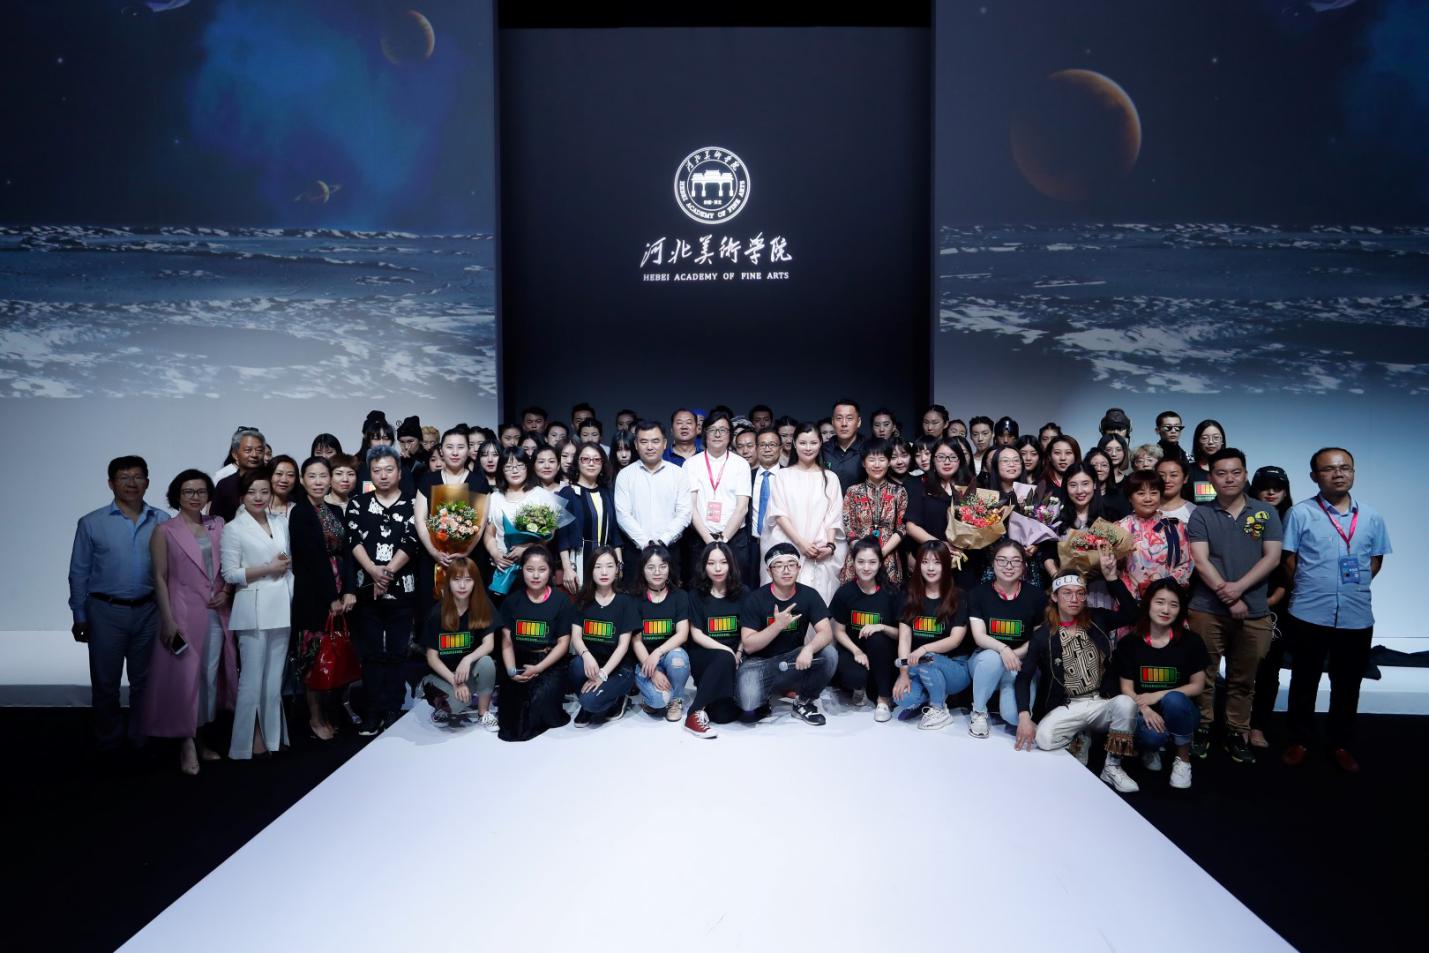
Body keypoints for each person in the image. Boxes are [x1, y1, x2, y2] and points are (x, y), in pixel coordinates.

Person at [1281, 448, 1391, 773]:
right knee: (1304, 681)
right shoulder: (1300, 513)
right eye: (1329, 469)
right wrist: (1312, 586)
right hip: (1309, 612)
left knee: (1347, 685)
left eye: (1345, 468)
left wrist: (1349, 587)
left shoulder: (1371, 517)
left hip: (1356, 616)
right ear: (1315, 476)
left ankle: (1339, 743)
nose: (1338, 474)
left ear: (1353, 472)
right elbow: (1289, 559)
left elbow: (1376, 560)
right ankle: (1300, 740)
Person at [1186, 448, 1284, 764]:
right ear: (1211, 478)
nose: (1229, 478)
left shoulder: (1265, 513)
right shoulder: (1201, 514)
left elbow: (1272, 557)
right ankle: (1201, 727)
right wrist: (1228, 595)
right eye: (1221, 473)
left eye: (1235, 472)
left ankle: (1235, 731)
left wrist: (1238, 590)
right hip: (1207, 609)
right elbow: (1201, 560)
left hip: (1253, 610)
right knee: (1204, 674)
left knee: (1244, 678)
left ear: (1245, 474)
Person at [1013, 554, 1141, 793]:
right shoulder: (1043, 636)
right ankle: (1080, 734)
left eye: (1080, 593)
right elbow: (1023, 677)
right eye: (1067, 593)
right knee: (1044, 739)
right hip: (1068, 704)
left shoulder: (1097, 618)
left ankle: (1112, 766)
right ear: (1054, 597)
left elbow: (1133, 614)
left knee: (1126, 704)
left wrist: (1112, 578)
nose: (1074, 599)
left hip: (1100, 701)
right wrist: (1024, 717)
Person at [69, 455, 171, 753]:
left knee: (145, 682)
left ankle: (141, 737)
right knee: (105, 682)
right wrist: (79, 614)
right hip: (105, 612)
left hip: (149, 611)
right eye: (124, 477)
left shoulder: (163, 521)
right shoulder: (91, 523)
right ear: (110, 483)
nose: (131, 483)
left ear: (147, 482)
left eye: (137, 476)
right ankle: (108, 741)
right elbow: (79, 572)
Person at [139, 469, 236, 774]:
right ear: (177, 496)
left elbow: (231, 563)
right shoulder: (165, 530)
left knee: (208, 678)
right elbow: (159, 578)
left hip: (215, 611)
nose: (195, 497)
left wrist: (227, 590)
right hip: (182, 613)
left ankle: (201, 735)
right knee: (185, 679)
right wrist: (167, 620)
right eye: (188, 492)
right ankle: (186, 742)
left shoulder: (218, 524)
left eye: (201, 491)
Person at [345, 446, 419, 736]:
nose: (383, 475)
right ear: (370, 474)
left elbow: (412, 541)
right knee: (371, 653)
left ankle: (393, 709)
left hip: (402, 589)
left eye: (389, 469)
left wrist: (386, 572)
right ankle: (373, 711)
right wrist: (373, 571)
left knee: (399, 652)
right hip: (367, 590)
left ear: (399, 472)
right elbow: (353, 540)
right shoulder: (358, 503)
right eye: (377, 470)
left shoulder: (414, 503)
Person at [221, 468, 293, 760]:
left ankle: (272, 737)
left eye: (264, 491)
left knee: (274, 680)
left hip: (282, 604)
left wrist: (283, 572)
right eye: (252, 492)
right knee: (251, 679)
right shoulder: (233, 528)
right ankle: (246, 741)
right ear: (242, 496)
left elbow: (287, 560)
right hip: (253, 608)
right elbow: (230, 573)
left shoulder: (280, 521)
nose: (259, 497)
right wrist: (268, 568)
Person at [1115, 579, 1208, 790]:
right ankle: (1152, 749)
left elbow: (1197, 685)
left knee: (1174, 699)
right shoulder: (1130, 643)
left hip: (1180, 711)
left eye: (1173, 605)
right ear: (1148, 604)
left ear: (1180, 609)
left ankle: (1183, 759)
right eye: (1160, 602)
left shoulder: (1191, 641)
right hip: (1144, 712)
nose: (1166, 610)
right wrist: (1144, 708)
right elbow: (1126, 688)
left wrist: (1158, 695)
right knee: (1151, 737)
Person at [288, 457, 356, 742]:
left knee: (337, 651)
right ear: (303, 480)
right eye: (312, 476)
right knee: (313, 656)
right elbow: (312, 560)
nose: (318, 482)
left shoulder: (335, 511)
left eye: (323, 476)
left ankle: (333, 712)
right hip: (314, 593)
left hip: (340, 587)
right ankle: (315, 718)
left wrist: (348, 589)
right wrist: (331, 597)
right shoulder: (300, 513)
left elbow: (348, 552)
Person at [737, 543, 837, 725]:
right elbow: (749, 645)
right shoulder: (755, 598)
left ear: (799, 568)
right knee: (749, 703)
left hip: (792, 662)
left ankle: (803, 702)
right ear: (769, 571)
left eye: (791, 564)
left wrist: (808, 649)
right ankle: (765, 697)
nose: (786, 570)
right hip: (759, 664)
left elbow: (826, 632)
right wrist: (777, 625)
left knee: (829, 654)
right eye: (779, 565)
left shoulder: (809, 595)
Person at [966, 539, 1047, 739]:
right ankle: (979, 711)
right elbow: (979, 636)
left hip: (1019, 665)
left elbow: (1038, 638)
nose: (1008, 566)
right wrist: (1004, 650)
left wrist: (1015, 655)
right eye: (1002, 560)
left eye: (1015, 561)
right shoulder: (978, 594)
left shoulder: (1036, 596)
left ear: (1024, 565)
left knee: (1013, 717)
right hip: (986, 661)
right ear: (993, 563)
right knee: (991, 658)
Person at [761, 423, 845, 602]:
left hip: (819, 551)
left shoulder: (830, 478)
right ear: (794, 443)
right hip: (788, 545)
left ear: (821, 443)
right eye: (803, 443)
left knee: (818, 604)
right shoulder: (783, 476)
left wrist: (829, 546)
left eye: (813, 443)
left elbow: (834, 516)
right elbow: (779, 514)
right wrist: (801, 543)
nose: (808, 448)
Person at [891, 541, 971, 729]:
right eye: (925, 562)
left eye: (937, 562)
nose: (930, 568)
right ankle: (931, 694)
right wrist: (903, 673)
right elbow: (904, 638)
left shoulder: (958, 596)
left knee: (927, 659)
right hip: (920, 665)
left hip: (955, 669)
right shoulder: (909, 595)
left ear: (946, 564)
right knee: (902, 698)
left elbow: (955, 640)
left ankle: (939, 709)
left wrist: (924, 649)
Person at [497, 546, 572, 742]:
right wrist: (512, 670)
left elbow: (563, 643)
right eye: (530, 569)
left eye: (542, 570)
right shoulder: (512, 601)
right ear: (522, 570)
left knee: (539, 701)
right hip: (519, 661)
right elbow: (506, 642)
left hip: (550, 663)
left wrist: (538, 668)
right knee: (512, 716)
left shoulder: (561, 601)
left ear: (550, 571)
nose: (536, 575)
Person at [829, 539, 905, 721]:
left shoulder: (892, 593)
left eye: (872, 562)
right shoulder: (845, 592)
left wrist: (881, 627)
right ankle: (862, 686)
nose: (866, 568)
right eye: (861, 562)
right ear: (853, 562)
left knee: (877, 637)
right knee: (853, 677)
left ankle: (883, 699)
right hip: (854, 651)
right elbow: (838, 631)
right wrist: (856, 651)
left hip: (884, 653)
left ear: (880, 563)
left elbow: (902, 635)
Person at [418, 556, 498, 730]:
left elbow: (488, 645)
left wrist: (467, 659)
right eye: (457, 580)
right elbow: (432, 658)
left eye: (468, 580)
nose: (462, 586)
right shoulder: (437, 613)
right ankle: (441, 705)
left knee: (486, 663)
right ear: (448, 582)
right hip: (443, 674)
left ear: (475, 582)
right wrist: (454, 681)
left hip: (466, 672)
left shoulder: (483, 606)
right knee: (456, 705)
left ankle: (483, 712)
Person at [566, 547, 639, 728]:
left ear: (617, 570)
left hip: (618, 667)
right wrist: (586, 655)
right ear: (591, 570)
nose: (604, 572)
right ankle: (587, 702)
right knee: (576, 665)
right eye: (598, 567)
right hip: (592, 663)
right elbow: (576, 637)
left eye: (609, 566)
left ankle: (616, 699)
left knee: (591, 702)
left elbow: (623, 645)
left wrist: (603, 674)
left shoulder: (625, 602)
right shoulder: (583, 600)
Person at [1248, 465, 1293, 749]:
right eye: (1265, 487)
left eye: (1277, 487)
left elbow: (1294, 567)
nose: (1271, 492)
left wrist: (1276, 597)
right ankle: (1236, 723)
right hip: (1242, 599)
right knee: (1240, 667)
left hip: (1278, 604)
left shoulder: (1294, 519)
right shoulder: (1245, 517)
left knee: (1269, 668)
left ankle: (1258, 726)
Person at [682, 410, 752, 590]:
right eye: (712, 430)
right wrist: (710, 541)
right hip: (700, 539)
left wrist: (723, 539)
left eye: (723, 430)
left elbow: (742, 508)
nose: (718, 434)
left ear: (730, 435)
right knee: (699, 589)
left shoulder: (740, 464)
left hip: (734, 538)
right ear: (704, 433)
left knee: (736, 589)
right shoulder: (691, 464)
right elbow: (691, 507)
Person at [614, 421, 692, 581]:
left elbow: (684, 513)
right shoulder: (625, 475)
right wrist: (646, 543)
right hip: (635, 551)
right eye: (644, 441)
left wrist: (663, 541)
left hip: (670, 550)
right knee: (635, 595)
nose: (650, 447)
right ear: (636, 445)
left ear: (665, 443)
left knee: (672, 594)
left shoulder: (678, 474)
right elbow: (623, 515)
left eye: (655, 441)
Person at [684, 541, 745, 737]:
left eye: (723, 562)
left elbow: (747, 630)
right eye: (711, 563)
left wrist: (738, 651)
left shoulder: (743, 593)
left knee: (723, 716)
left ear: (731, 564)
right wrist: (728, 652)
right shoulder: (696, 595)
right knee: (724, 658)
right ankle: (694, 713)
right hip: (704, 655)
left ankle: (712, 699)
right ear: (704, 566)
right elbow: (696, 634)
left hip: (735, 658)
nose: (718, 568)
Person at [630, 544, 692, 722]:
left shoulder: (680, 596)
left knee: (679, 658)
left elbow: (682, 634)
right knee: (658, 701)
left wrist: (658, 652)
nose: (657, 572)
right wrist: (653, 672)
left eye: (662, 566)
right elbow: (636, 641)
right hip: (646, 661)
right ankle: (655, 697)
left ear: (669, 568)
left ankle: (676, 700)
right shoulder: (634, 599)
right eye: (651, 567)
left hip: (669, 655)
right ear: (642, 570)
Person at [558, 443, 624, 592]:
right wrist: (567, 568)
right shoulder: (567, 493)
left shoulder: (607, 493)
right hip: (578, 559)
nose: (591, 463)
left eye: (596, 459)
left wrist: (619, 564)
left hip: (606, 560)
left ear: (602, 463)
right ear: (577, 462)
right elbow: (562, 537)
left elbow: (615, 532)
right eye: (585, 459)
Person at [840, 439, 908, 584]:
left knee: (887, 596)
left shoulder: (899, 492)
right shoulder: (853, 492)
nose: (877, 465)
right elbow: (848, 527)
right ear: (864, 463)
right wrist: (863, 555)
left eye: (882, 460)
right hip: (858, 557)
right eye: (871, 460)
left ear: (888, 462)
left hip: (887, 556)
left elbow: (901, 528)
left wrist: (881, 553)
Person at [1117, 469, 1192, 600]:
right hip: (1130, 600)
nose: (1148, 499)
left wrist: (1165, 585)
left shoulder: (1176, 526)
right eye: (1141, 493)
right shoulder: (1120, 528)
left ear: (1160, 495)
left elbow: (1186, 563)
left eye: (1154, 493)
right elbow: (1114, 568)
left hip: (1167, 599)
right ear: (1130, 497)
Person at [211, 428, 265, 522]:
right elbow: (216, 521)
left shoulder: (271, 482)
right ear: (235, 454)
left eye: (259, 450)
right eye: (248, 450)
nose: (254, 455)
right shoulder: (225, 484)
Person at [822, 398, 866, 490]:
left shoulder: (868, 449)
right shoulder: (823, 449)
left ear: (858, 422)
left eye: (849, 418)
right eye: (839, 418)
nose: (844, 424)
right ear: (833, 422)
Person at [1184, 420, 1225, 504]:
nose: (1211, 442)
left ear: (1222, 441)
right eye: (1204, 438)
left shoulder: (1234, 469)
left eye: (1216, 437)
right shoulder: (1188, 470)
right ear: (1197, 442)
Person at [1155, 457, 1196, 524]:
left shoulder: (1194, 512)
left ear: (1185, 478)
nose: (1167, 480)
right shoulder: (1144, 509)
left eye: (1173, 475)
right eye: (1161, 475)